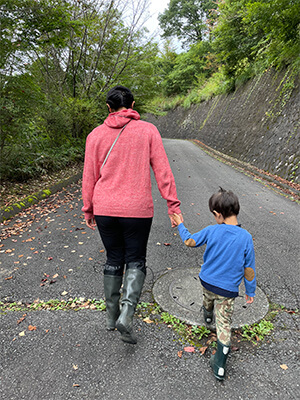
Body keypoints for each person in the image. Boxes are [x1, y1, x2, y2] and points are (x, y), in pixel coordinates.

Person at [82, 85, 183, 344]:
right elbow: (163, 171)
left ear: (108, 106)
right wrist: (173, 205)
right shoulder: (148, 131)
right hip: (137, 210)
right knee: (135, 259)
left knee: (114, 257)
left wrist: (88, 208)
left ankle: (110, 317)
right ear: (133, 104)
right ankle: (126, 315)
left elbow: (89, 176)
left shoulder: (94, 135)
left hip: (105, 208)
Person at [172, 187, 256, 380]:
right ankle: (219, 365)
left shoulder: (212, 230)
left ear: (218, 215)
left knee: (207, 298)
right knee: (224, 323)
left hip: (207, 281)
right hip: (227, 290)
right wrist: (250, 291)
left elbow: (190, 241)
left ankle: (207, 314)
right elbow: (248, 269)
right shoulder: (246, 238)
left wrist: (180, 224)